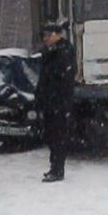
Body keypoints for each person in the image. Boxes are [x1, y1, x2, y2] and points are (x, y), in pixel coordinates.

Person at [35, 22, 76, 183]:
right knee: (51, 135)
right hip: (50, 101)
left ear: (57, 35)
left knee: (58, 136)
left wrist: (60, 100)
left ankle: (58, 169)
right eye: (44, 36)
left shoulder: (64, 51)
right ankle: (54, 166)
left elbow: (62, 77)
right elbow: (44, 77)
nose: (45, 39)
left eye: (48, 35)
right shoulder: (49, 52)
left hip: (59, 101)